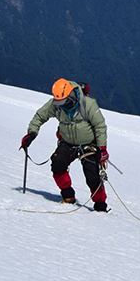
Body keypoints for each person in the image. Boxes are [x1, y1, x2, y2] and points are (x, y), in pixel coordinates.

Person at [20, 78, 109, 212]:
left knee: (92, 176)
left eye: (65, 102)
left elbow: (100, 126)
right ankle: (68, 196)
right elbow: (40, 116)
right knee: (58, 164)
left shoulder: (88, 104)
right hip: (67, 142)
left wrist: (102, 149)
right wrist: (32, 133)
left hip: (88, 144)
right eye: (60, 102)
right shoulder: (55, 104)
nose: (63, 105)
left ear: (71, 96)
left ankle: (100, 205)